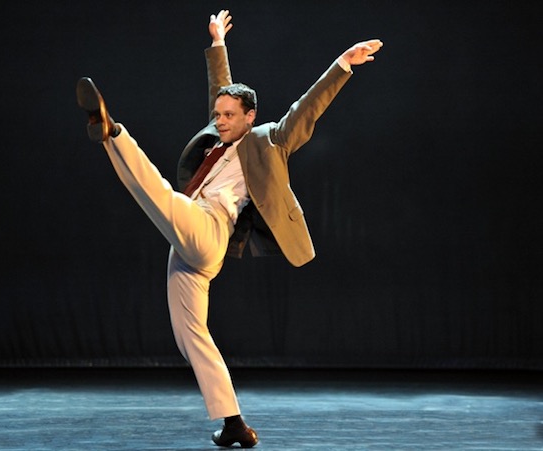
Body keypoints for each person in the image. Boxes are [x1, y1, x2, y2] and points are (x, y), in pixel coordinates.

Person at [76, 9, 382, 448]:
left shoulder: (269, 140)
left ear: (250, 116)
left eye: (227, 115)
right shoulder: (217, 139)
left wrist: (343, 65)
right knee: (191, 338)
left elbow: (306, 109)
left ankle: (113, 132)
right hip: (187, 246)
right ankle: (234, 422)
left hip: (209, 229)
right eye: (216, 113)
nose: (218, 120)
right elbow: (220, 86)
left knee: (161, 197)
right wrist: (217, 41)